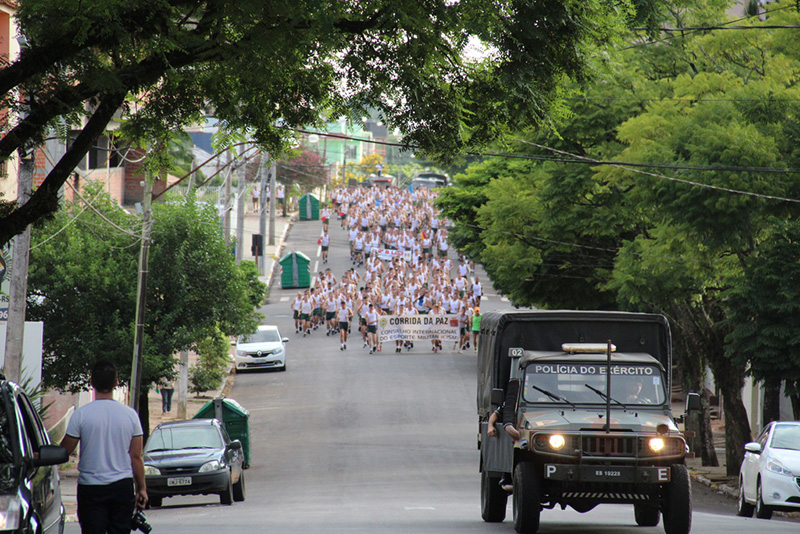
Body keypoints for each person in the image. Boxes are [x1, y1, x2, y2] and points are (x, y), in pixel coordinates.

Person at [61, 360, 147, 533]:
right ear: (116, 383)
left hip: (90, 489)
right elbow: (136, 457)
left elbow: (65, 451)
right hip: (121, 487)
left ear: (92, 383)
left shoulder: (81, 415)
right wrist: (141, 488)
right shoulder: (130, 415)